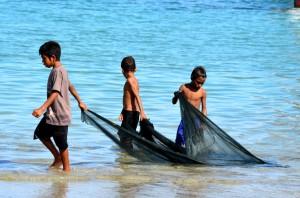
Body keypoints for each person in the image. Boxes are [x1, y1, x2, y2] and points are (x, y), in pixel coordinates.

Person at [32, 41, 87, 172]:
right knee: (41, 134)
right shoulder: (62, 70)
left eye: (44, 58)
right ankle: (58, 159)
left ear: (53, 58)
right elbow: (70, 86)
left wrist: (41, 108)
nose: (42, 61)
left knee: (62, 144)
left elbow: (55, 92)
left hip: (59, 115)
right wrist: (80, 101)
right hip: (54, 115)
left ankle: (66, 169)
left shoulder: (58, 71)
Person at [172, 66, 207, 147]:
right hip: (185, 118)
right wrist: (176, 96)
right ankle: (179, 150)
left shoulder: (202, 92)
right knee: (180, 136)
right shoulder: (184, 88)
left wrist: (203, 122)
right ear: (192, 78)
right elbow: (174, 102)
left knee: (196, 139)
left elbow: (204, 108)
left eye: (202, 83)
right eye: (198, 82)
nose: (199, 85)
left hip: (196, 119)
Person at [118, 56, 147, 148]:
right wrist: (122, 112)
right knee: (124, 135)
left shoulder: (130, 81)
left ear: (122, 70)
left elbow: (137, 96)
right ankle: (127, 158)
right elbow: (130, 99)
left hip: (130, 114)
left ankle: (127, 158)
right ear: (135, 69)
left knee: (125, 138)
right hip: (130, 113)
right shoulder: (134, 80)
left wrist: (142, 112)